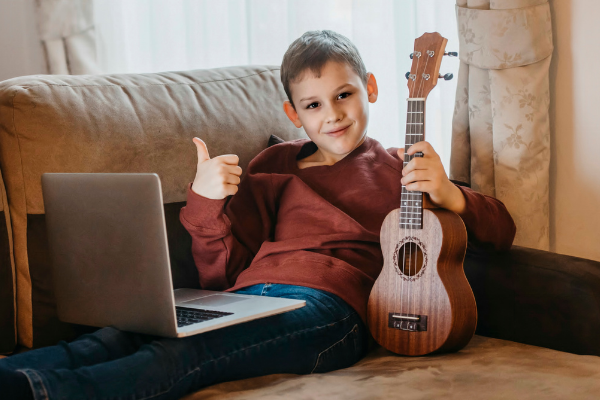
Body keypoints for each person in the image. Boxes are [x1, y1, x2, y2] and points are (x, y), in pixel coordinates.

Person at [0, 30, 516, 400]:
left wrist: (451, 193)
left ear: (371, 89)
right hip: (246, 296)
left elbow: (499, 228)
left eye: (344, 95)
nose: (332, 113)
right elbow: (220, 273)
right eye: (312, 105)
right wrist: (204, 200)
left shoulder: (403, 169)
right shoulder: (271, 165)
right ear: (293, 114)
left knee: (181, 356)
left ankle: (37, 390)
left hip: (332, 311)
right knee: (114, 336)